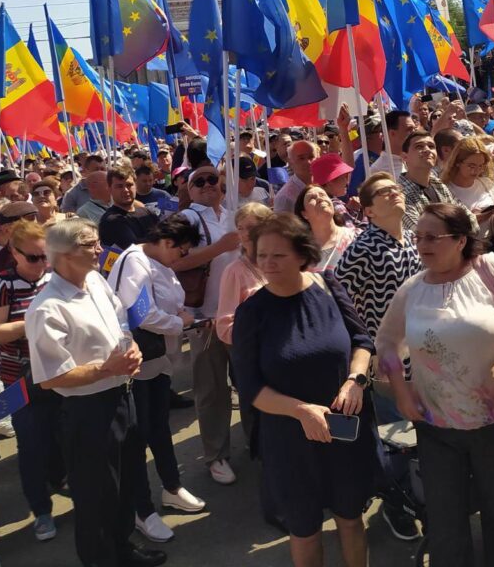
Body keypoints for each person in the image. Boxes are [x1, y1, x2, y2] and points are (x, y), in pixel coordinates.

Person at [377, 203, 494, 567]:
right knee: (445, 519)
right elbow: (387, 343)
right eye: (417, 237)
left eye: (432, 237)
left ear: (460, 240)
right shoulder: (412, 290)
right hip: (436, 426)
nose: (421, 244)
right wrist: (401, 390)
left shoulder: (491, 269)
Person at [232, 214, 378, 567]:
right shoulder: (251, 312)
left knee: (350, 519)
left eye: (278, 255)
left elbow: (362, 341)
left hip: (343, 430)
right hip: (289, 440)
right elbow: (249, 386)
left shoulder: (328, 286)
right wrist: (300, 410)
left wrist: (355, 380)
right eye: (262, 255)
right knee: (304, 530)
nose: (268, 263)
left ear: (302, 254)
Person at [25, 219, 166, 567]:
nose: (99, 250)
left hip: (122, 397)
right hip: (87, 411)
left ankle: (122, 550)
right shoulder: (47, 308)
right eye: (90, 244)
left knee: (125, 484)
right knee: (96, 497)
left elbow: (121, 323)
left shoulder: (96, 281)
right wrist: (107, 368)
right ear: (64, 254)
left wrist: (131, 348)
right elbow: (51, 378)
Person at [107, 216, 207, 544]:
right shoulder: (135, 262)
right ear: (166, 243)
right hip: (138, 365)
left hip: (158, 361)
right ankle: (142, 509)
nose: (182, 258)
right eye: (181, 251)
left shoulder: (156, 262)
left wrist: (181, 318)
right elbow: (141, 314)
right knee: (137, 438)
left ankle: (172, 487)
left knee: (160, 428)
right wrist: (181, 323)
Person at [334, 172, 422, 541]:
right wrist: (362, 349)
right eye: (383, 192)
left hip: (422, 356)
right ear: (368, 210)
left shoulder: (412, 239)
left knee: (419, 434)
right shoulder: (363, 247)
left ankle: (418, 497)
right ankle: (397, 504)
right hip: (386, 364)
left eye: (395, 189)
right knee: (397, 438)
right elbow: (338, 297)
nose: (394, 193)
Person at [0, 221, 63, 542]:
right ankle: (41, 510)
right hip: (21, 380)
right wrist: (35, 321)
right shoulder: (1, 284)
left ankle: (61, 480)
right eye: (33, 257)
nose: (41, 263)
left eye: (46, 256)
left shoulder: (54, 277)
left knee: (63, 436)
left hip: (59, 372)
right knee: (31, 446)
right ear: (14, 253)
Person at [172, 166, 243, 484]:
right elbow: (174, 261)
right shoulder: (187, 219)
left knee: (249, 384)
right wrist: (219, 247)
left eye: (212, 179)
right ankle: (216, 455)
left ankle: (257, 443)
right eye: (197, 181)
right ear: (189, 189)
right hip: (206, 318)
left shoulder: (233, 214)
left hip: (240, 315)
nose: (206, 185)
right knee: (212, 391)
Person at [215, 203, 272, 348]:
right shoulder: (234, 272)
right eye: (240, 228)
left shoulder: (281, 264)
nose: (245, 234)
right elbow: (224, 328)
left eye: (251, 227)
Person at [397, 130, 459, 231]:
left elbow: (467, 218)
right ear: (405, 157)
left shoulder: (439, 185)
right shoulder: (399, 195)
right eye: (419, 146)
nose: (427, 150)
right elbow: (420, 233)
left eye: (431, 146)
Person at [293, 185, 355, 272]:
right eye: (312, 198)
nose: (319, 198)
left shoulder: (355, 237)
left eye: (323, 194)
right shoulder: (301, 255)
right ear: (304, 214)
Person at [99, 168, 159, 250]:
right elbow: (133, 249)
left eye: (129, 185)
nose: (125, 190)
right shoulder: (111, 220)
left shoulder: (148, 213)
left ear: (136, 186)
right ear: (110, 189)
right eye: (119, 186)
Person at [440, 135, 494, 211]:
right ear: (458, 162)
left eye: (481, 166)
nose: (476, 171)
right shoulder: (444, 189)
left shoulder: (487, 184)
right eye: (471, 166)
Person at [274, 141, 319, 214]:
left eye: (311, 157)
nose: (308, 162)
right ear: (290, 162)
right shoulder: (285, 198)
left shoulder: (325, 184)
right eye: (301, 158)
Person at [369, 110, 416, 177]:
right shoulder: (378, 170)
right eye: (409, 129)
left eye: (414, 129)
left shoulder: (415, 158)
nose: (415, 133)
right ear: (392, 133)